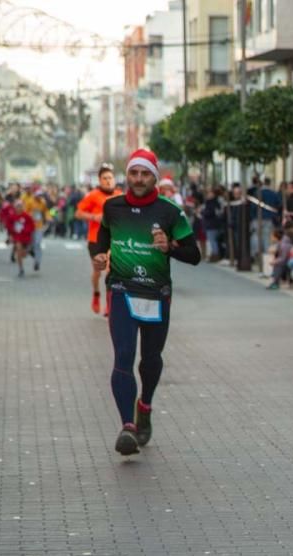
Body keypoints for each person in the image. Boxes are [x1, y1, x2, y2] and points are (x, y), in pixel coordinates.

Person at [90, 149, 201, 456]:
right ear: (128, 175)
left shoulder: (169, 212)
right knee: (123, 356)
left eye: (145, 174)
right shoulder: (113, 207)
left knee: (150, 360)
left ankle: (145, 406)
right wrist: (99, 257)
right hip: (122, 291)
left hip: (156, 294)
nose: (138, 179)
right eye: (134, 173)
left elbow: (195, 255)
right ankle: (128, 427)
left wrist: (170, 247)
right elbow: (101, 240)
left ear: (154, 177)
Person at [77, 165, 122, 314]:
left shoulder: (120, 195)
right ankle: (96, 294)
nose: (108, 181)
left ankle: (109, 304)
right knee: (98, 271)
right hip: (95, 239)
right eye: (105, 178)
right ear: (100, 180)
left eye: (110, 178)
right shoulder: (93, 195)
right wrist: (94, 217)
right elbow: (78, 213)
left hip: (114, 239)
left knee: (111, 270)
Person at [8, 199, 34, 277]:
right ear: (15, 207)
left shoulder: (27, 216)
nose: (19, 208)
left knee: (24, 254)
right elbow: (9, 226)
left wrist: (24, 230)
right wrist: (11, 235)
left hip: (26, 237)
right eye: (17, 206)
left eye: (20, 206)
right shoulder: (12, 216)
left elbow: (32, 227)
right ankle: (21, 269)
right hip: (17, 237)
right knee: (19, 251)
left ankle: (28, 252)